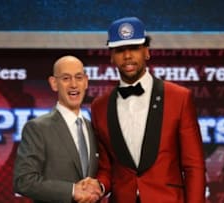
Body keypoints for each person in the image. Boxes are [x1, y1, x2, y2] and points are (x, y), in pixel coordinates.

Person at [90, 17, 206, 203]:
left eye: (134, 48)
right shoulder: (99, 106)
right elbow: (106, 168)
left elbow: (194, 166)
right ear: (111, 56)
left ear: (146, 52)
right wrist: (99, 186)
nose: (127, 56)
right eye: (120, 50)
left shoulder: (179, 98)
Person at [13, 55, 102, 203]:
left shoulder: (94, 129)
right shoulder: (37, 128)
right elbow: (23, 181)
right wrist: (72, 190)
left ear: (86, 82)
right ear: (54, 83)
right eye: (66, 78)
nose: (74, 84)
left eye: (79, 77)